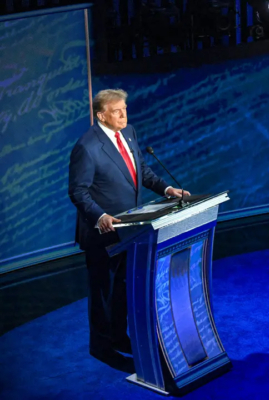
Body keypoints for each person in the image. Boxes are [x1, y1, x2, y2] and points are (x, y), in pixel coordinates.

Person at [68, 89, 189, 369]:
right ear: (101, 115)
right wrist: (101, 216)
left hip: (132, 230)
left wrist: (167, 189)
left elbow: (141, 171)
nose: (124, 115)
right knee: (104, 292)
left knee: (123, 288)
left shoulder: (129, 132)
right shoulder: (87, 147)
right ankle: (101, 347)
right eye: (117, 111)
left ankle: (119, 337)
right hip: (103, 233)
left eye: (124, 109)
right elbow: (78, 191)